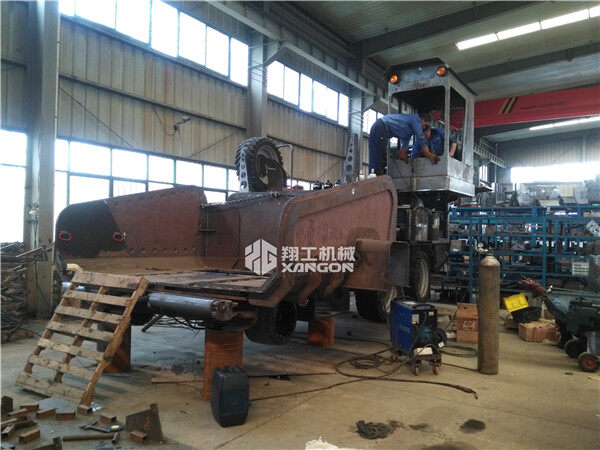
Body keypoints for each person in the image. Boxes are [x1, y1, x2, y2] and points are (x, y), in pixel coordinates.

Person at [368, 112, 439, 176]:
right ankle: (376, 178)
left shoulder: (409, 131)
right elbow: (421, 137)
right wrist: (428, 154)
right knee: (378, 155)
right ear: (422, 120)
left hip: (381, 129)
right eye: (425, 125)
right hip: (381, 126)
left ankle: (376, 176)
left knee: (380, 154)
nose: (423, 127)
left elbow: (405, 144)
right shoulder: (415, 119)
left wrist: (402, 155)